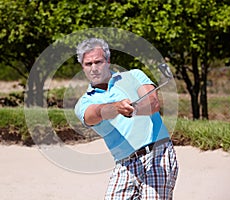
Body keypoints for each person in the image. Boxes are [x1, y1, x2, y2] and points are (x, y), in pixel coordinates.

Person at [74, 38, 178, 200]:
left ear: (108, 61)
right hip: (125, 164)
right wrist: (116, 108)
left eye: (98, 62)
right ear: (82, 66)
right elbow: (93, 114)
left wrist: (134, 110)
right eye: (88, 64)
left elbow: (153, 103)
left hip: (158, 153)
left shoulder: (134, 75)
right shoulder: (84, 102)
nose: (94, 68)